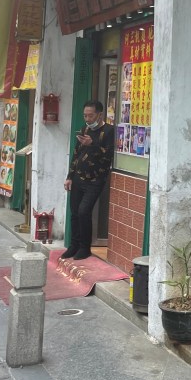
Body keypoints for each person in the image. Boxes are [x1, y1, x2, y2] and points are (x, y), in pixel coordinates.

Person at [63, 100, 114, 260]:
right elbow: (76, 153)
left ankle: (85, 247)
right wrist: (69, 176)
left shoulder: (109, 131)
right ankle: (74, 245)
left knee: (84, 211)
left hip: (95, 179)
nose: (87, 119)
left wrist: (93, 144)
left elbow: (108, 155)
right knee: (74, 213)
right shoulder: (84, 129)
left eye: (90, 116)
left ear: (99, 115)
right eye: (85, 115)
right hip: (78, 177)